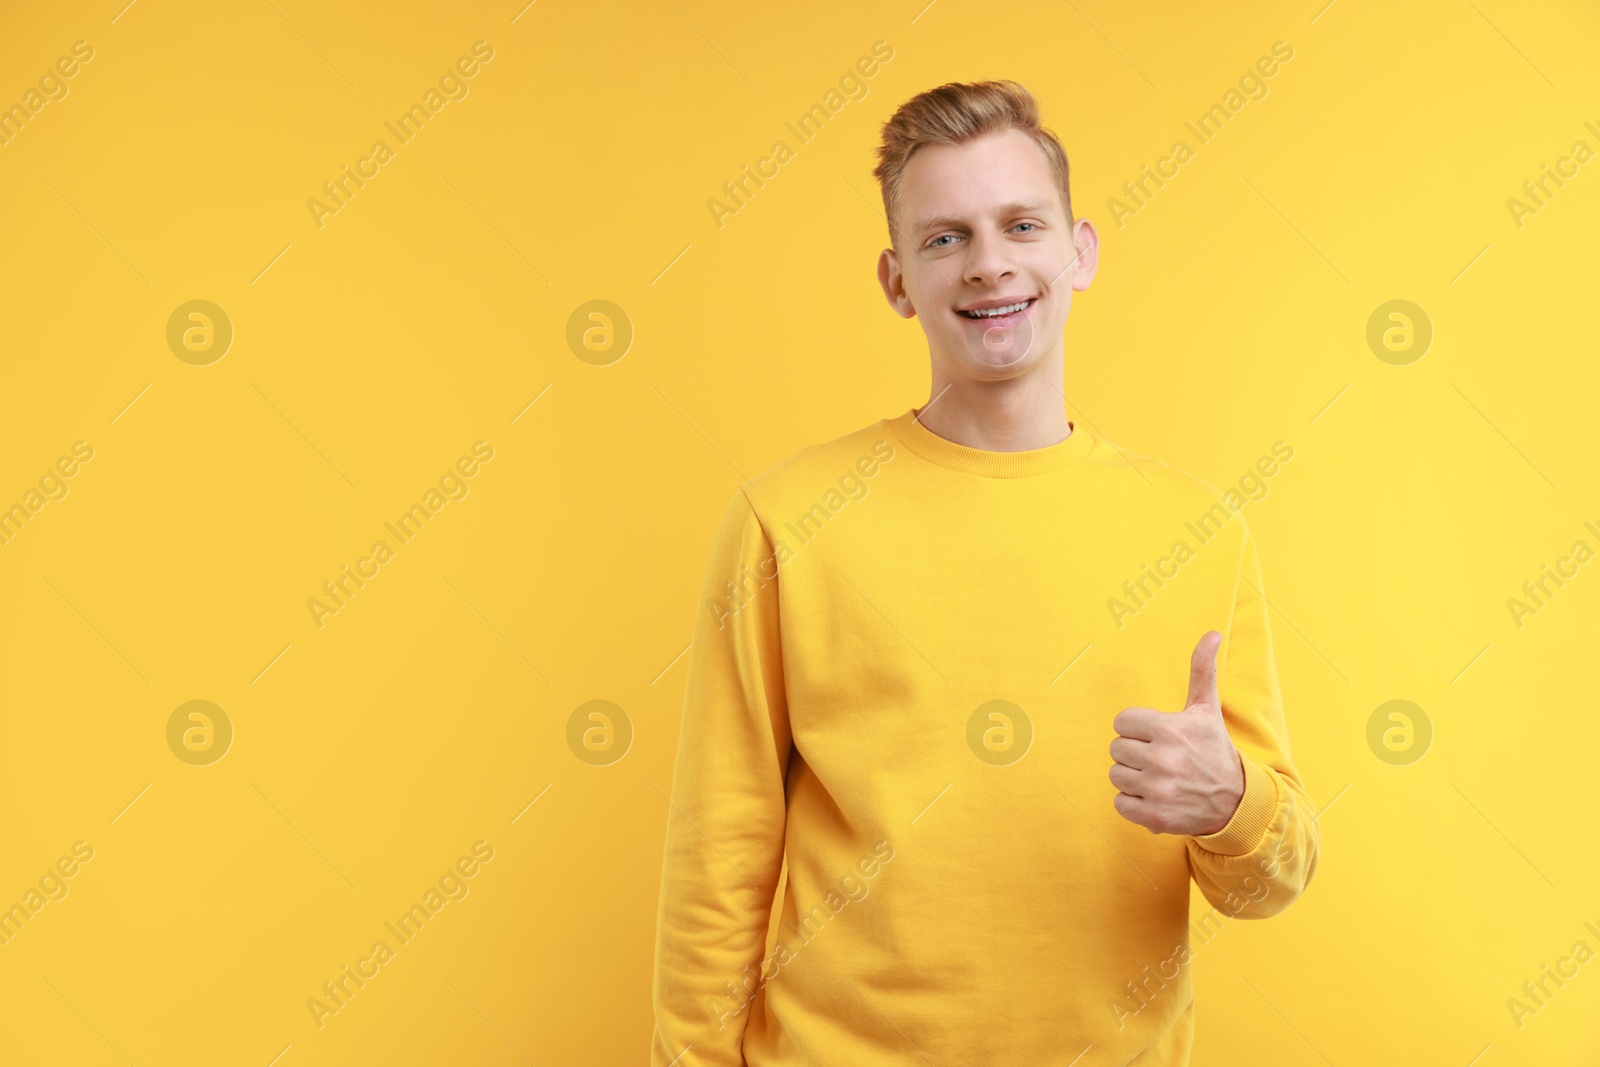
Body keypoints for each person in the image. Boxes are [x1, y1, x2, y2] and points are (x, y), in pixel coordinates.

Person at [650, 78, 1319, 1066]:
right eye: (944, 237)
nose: (988, 264)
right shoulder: (784, 518)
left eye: (1019, 224)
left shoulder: (1197, 529)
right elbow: (720, 850)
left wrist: (1229, 800)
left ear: (1079, 250)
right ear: (895, 279)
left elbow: (1267, 881)